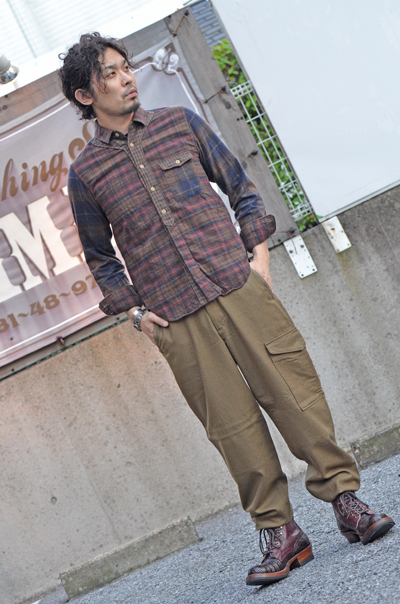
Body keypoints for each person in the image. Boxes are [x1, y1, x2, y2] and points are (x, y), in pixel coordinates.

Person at [59, 33, 394, 586]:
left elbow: (241, 188)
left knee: (295, 395)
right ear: (85, 94)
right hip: (176, 315)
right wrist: (138, 317)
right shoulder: (87, 174)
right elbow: (100, 257)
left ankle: (346, 502)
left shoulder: (180, 123)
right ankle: (281, 534)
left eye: (125, 67)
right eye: (110, 74)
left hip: (238, 286)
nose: (126, 78)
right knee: (231, 427)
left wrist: (258, 258)